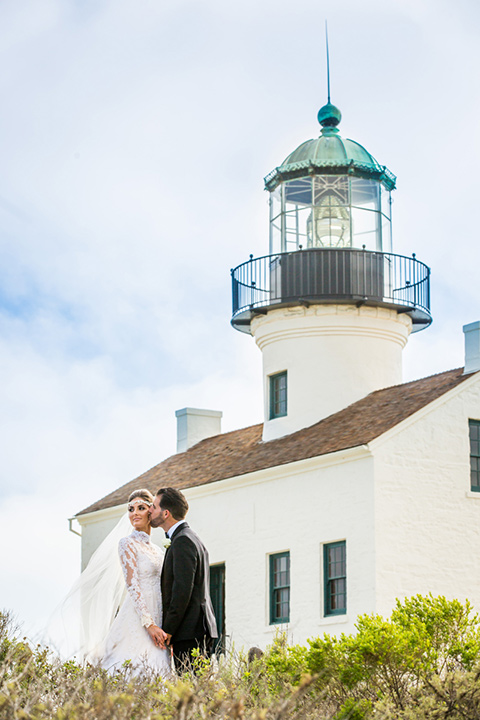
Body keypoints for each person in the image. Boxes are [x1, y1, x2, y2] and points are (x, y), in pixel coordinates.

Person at [46, 488, 172, 678]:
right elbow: (132, 585)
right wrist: (149, 624)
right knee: (134, 670)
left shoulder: (158, 551)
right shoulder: (126, 544)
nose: (135, 513)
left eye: (140, 507)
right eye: (130, 509)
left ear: (150, 511)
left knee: (159, 671)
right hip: (139, 619)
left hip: (158, 614)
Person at [148, 487, 218, 672]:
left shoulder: (182, 541)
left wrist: (168, 629)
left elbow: (182, 590)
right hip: (194, 629)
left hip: (190, 631)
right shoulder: (189, 538)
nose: (150, 511)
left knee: (191, 692)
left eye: (153, 507)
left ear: (166, 513)